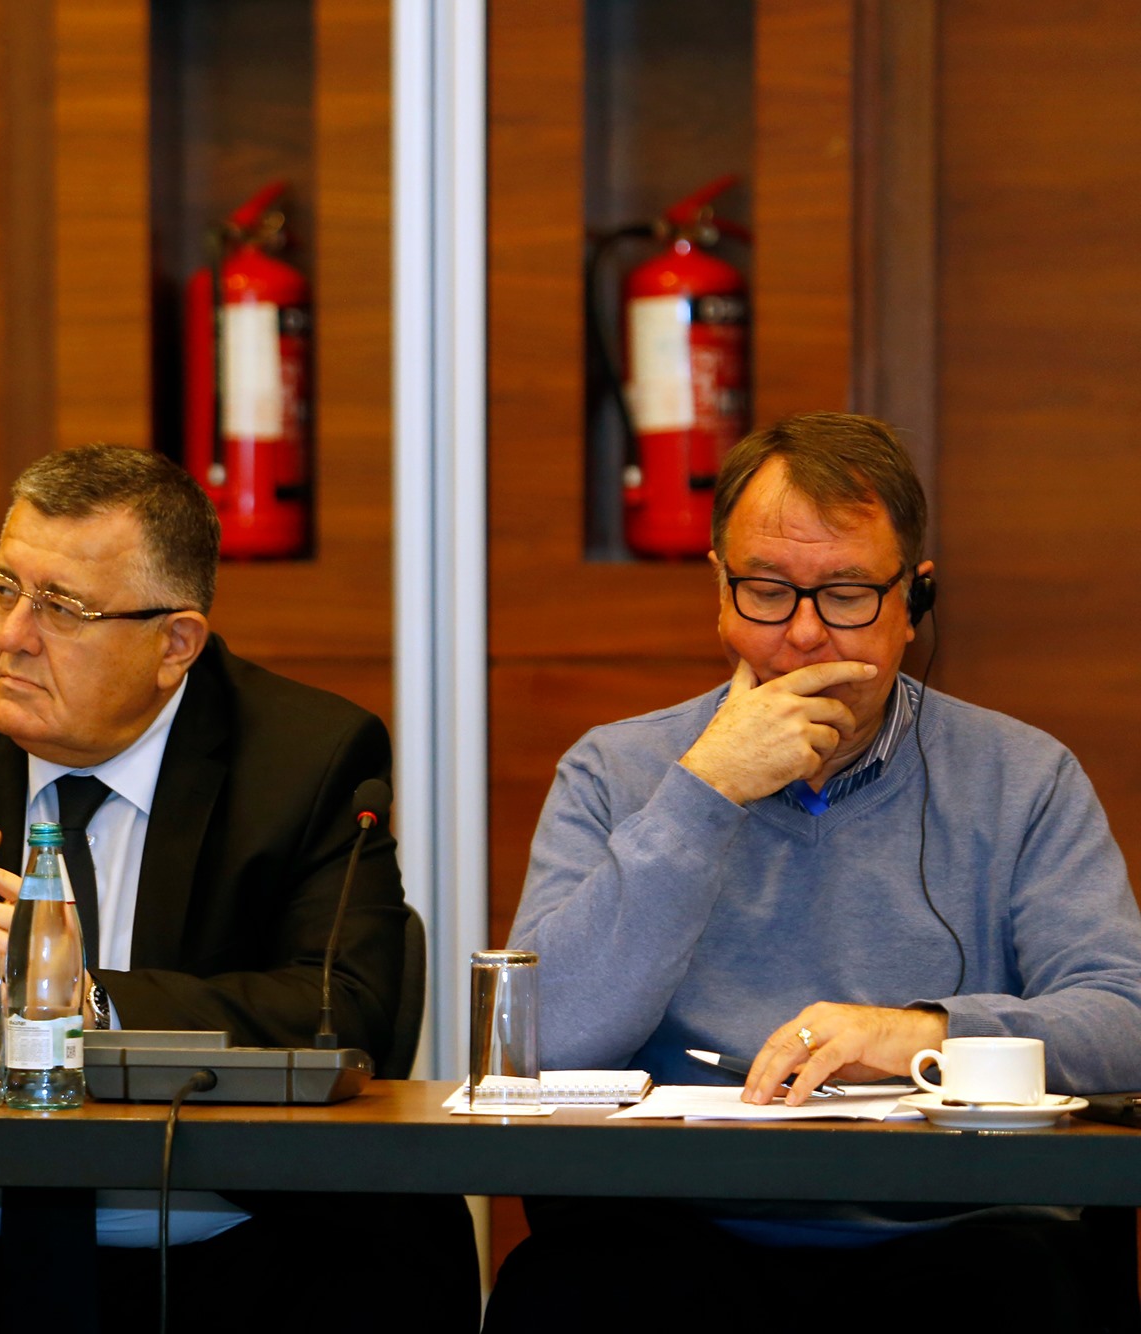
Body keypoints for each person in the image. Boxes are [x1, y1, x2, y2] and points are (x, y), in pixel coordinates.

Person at [0, 444, 469, 1326]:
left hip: (227, 1242)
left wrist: (83, 1005)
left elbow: (342, 1011)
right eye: (4, 589)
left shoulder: (308, 758)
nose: (11, 635)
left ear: (175, 644)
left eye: (62, 608)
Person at [487, 413, 1141, 1328]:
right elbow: (538, 1042)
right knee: (567, 1296)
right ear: (719, 593)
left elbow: (1123, 1017)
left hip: (956, 1233)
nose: (803, 635)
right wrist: (706, 791)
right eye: (766, 591)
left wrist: (918, 1035)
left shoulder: (1023, 777)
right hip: (678, 1231)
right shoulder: (616, 770)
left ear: (912, 603)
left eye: (846, 595)